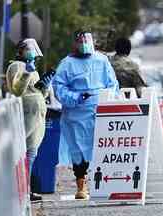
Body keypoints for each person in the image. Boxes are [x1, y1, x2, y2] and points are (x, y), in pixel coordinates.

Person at [52, 30, 118, 200]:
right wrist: (75, 97)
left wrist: (108, 99)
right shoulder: (67, 64)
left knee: (102, 148)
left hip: (100, 112)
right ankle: (81, 185)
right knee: (78, 151)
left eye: (86, 40)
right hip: (76, 114)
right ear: (75, 43)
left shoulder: (102, 60)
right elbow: (59, 87)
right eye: (80, 41)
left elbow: (112, 84)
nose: (84, 43)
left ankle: (103, 182)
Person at [6, 38, 52, 201]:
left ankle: (26, 190)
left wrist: (45, 85)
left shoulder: (33, 69)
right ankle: (16, 189)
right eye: (28, 49)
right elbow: (17, 89)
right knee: (20, 152)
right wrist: (26, 72)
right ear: (20, 51)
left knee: (31, 154)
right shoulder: (15, 67)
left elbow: (40, 93)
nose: (31, 52)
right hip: (24, 114)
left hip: (37, 116)